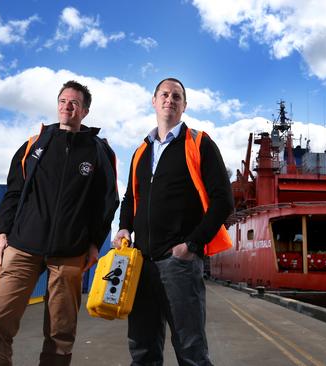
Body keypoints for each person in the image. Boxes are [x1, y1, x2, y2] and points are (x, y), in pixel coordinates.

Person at [0, 80, 119, 366]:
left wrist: (94, 243)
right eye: (63, 101)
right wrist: (0, 235)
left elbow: (106, 202)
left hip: (69, 253)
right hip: (22, 247)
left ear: (85, 111)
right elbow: (14, 192)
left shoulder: (99, 151)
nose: (67, 106)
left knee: (60, 334)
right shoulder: (34, 144)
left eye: (74, 103)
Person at [113, 77, 233, 365]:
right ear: (154, 102)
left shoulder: (199, 143)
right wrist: (124, 226)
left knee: (190, 350)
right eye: (164, 94)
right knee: (142, 349)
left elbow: (223, 201)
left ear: (184, 105)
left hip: (178, 263)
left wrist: (191, 244)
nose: (170, 99)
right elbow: (130, 197)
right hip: (142, 263)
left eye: (176, 96)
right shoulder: (141, 151)